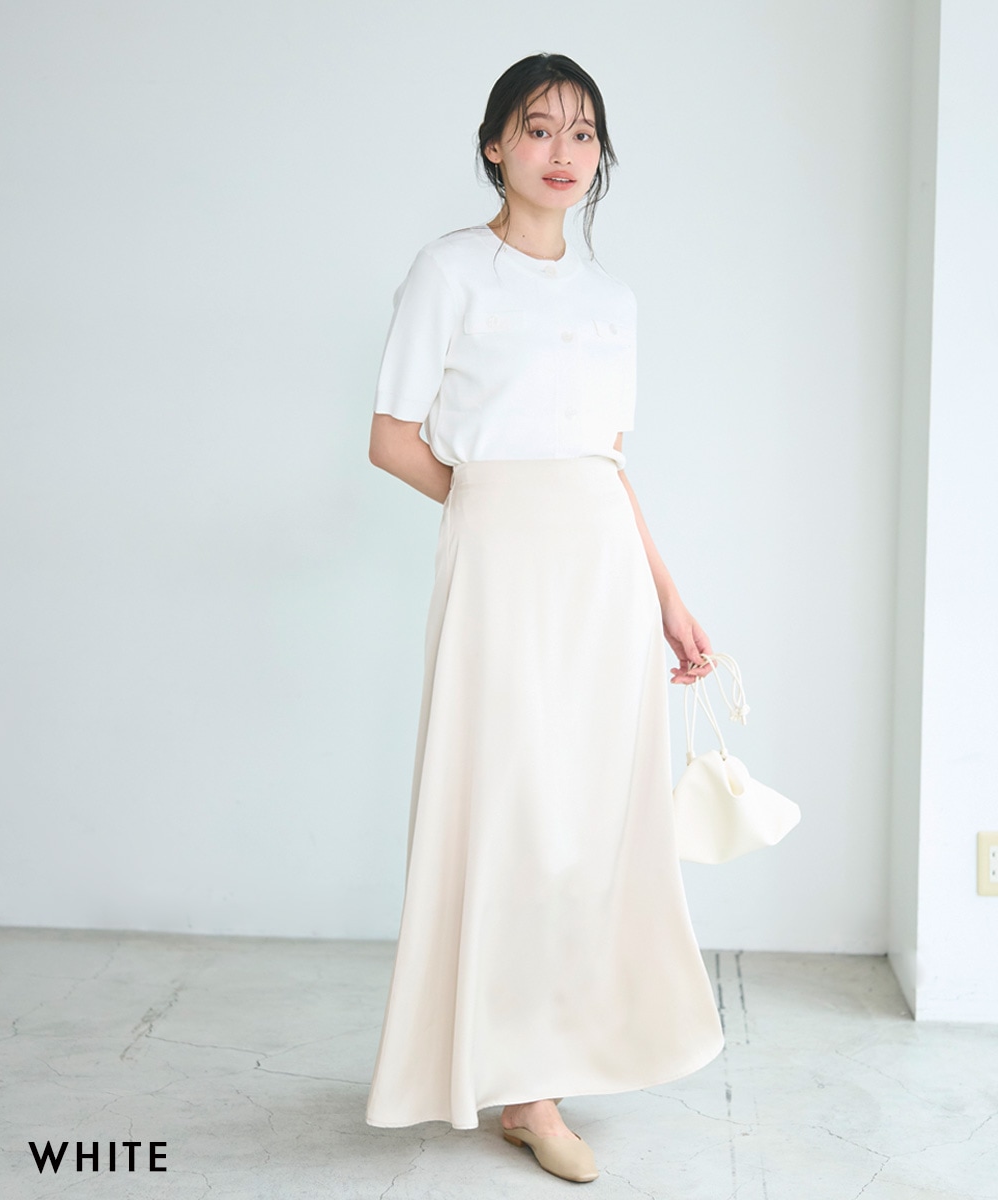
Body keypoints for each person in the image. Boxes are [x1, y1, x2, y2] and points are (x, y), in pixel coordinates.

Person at [365, 52, 725, 1184]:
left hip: (604, 571)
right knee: (509, 806)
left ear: (600, 155)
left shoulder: (614, 301)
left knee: (591, 817)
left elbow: (606, 464)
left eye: (582, 133)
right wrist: (491, 509)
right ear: (494, 145)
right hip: (501, 566)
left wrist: (668, 597)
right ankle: (518, 1085)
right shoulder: (449, 271)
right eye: (536, 128)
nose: (561, 152)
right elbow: (391, 439)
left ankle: (551, 1068)